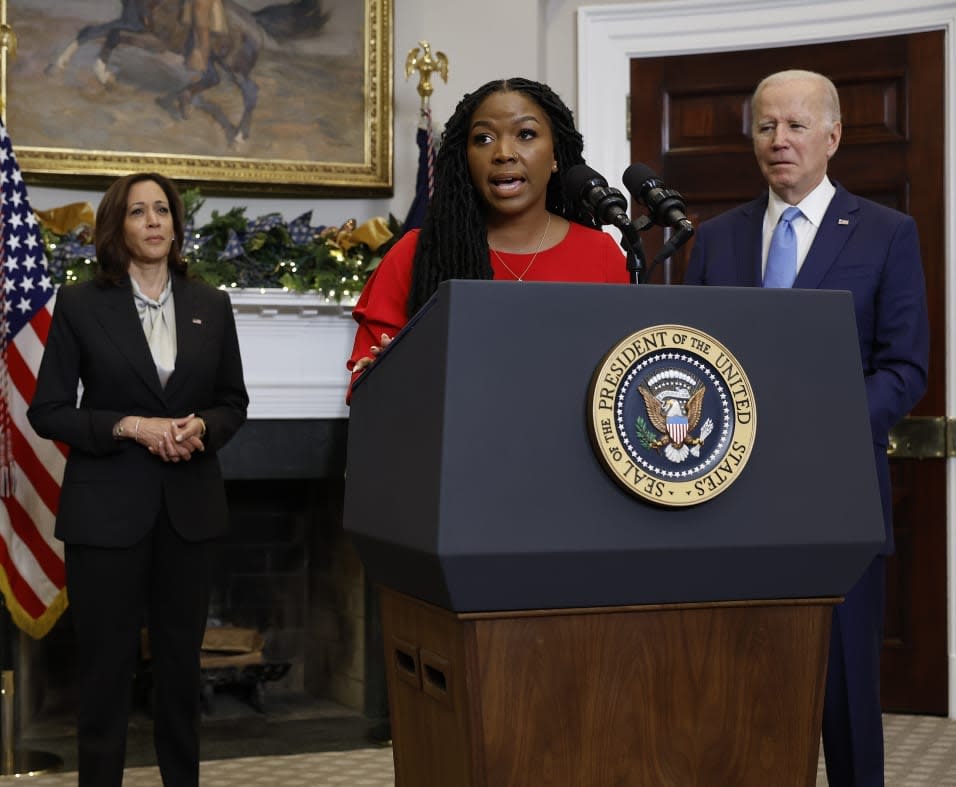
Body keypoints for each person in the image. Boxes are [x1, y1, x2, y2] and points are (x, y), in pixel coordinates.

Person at [684, 69, 928, 787]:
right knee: (735, 692)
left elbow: (905, 368)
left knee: (847, 697)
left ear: (833, 135)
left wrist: (817, 427)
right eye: (765, 126)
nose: (779, 140)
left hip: (838, 497)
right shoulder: (715, 240)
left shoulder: (887, 233)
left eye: (795, 125)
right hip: (726, 503)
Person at [27, 172, 248, 787]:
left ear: (176, 224)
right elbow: (47, 412)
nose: (153, 221)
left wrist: (201, 426)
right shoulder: (79, 305)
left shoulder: (211, 303)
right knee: (105, 671)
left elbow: (234, 401)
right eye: (137, 212)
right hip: (105, 515)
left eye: (162, 210)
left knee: (180, 671)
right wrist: (130, 426)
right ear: (115, 227)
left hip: (191, 511)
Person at [346, 77, 628, 392]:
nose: (503, 153)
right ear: (465, 159)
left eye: (525, 134)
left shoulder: (600, 253)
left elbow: (623, 381)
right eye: (483, 139)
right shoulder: (415, 253)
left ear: (555, 157)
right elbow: (366, 386)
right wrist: (389, 375)